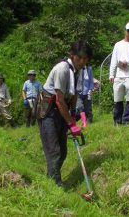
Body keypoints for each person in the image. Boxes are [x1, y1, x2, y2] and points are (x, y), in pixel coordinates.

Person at [37, 40, 93, 186]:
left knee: (62, 151)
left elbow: (73, 94)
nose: (82, 61)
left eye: (85, 59)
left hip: (62, 110)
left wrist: (73, 117)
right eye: (79, 57)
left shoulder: (79, 70)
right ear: (72, 55)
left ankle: (51, 178)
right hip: (49, 110)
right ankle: (55, 185)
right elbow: (59, 101)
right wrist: (71, 124)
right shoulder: (62, 69)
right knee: (54, 151)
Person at [109, 22, 129, 126]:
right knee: (118, 99)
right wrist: (111, 75)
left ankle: (127, 120)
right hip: (119, 75)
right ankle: (117, 121)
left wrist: (128, 62)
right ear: (125, 30)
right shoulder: (118, 44)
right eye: (128, 30)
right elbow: (113, 60)